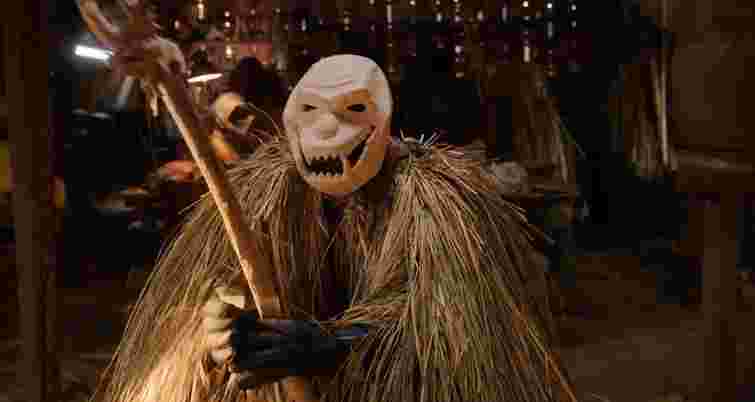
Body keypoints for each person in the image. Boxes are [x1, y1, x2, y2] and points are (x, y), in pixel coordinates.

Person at [92, 8, 575, 401]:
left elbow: (447, 330)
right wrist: (222, 326)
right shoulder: (268, 191)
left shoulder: (435, 202)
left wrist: (334, 344)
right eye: (310, 111)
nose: (326, 128)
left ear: (383, 120)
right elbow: (227, 285)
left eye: (353, 111)